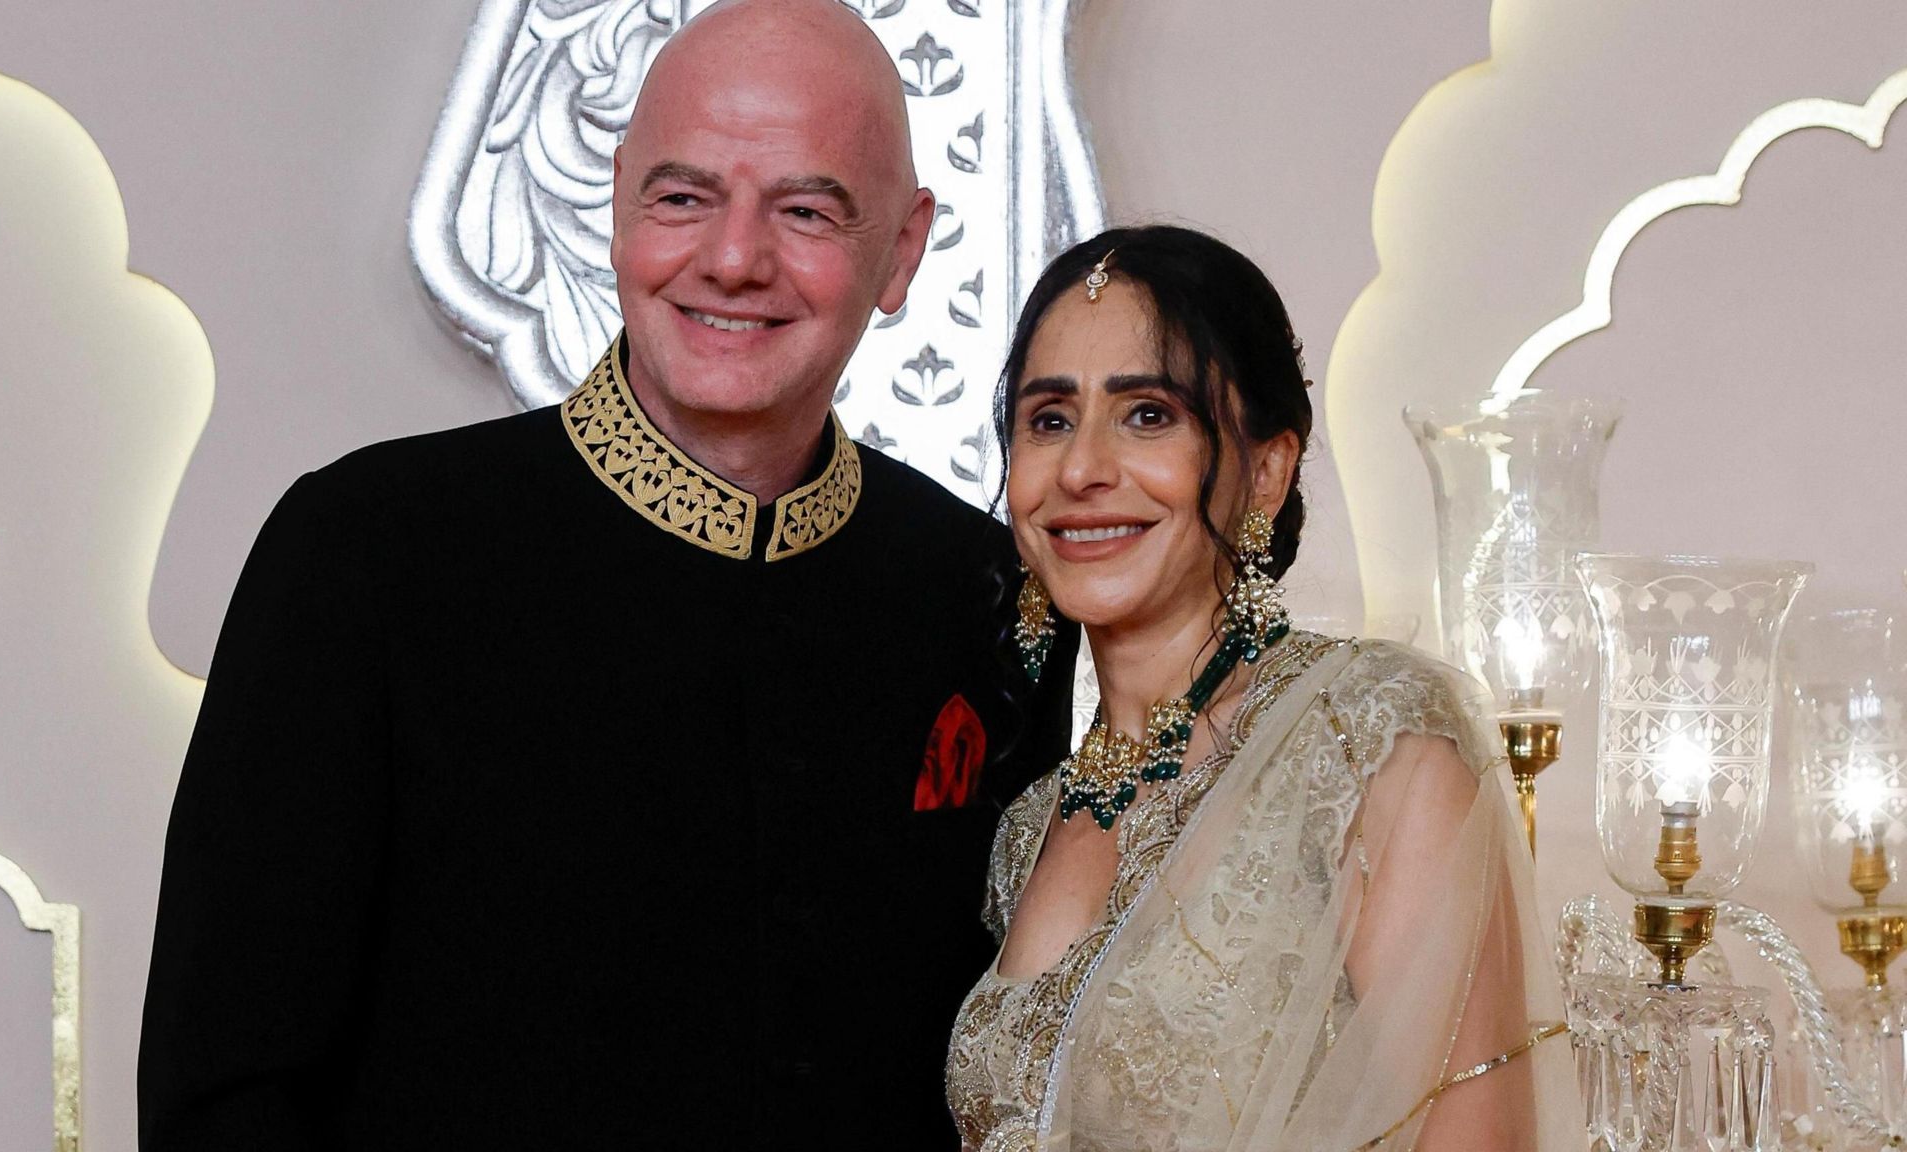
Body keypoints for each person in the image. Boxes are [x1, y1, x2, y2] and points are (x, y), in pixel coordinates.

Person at [137, 1, 1068, 1147]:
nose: (731, 259)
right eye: (681, 198)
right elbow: (222, 1090)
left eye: (805, 210)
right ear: (618, 203)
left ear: (903, 249)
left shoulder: (980, 592)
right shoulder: (367, 550)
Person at [945, 226, 1579, 1151]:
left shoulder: (1371, 744)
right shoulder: (1029, 826)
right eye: (1049, 419)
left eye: (1148, 414)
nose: (1081, 469)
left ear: (1269, 470)